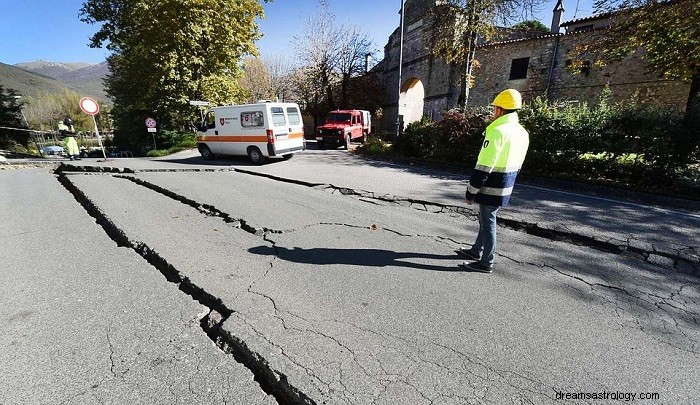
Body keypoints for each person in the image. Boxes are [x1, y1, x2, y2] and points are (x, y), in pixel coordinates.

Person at [458, 89, 529, 273]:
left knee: (488, 222)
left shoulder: (497, 131)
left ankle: (486, 262)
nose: (493, 111)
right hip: (507, 183)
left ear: (500, 109)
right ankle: (475, 251)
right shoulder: (522, 132)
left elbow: (484, 165)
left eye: (495, 108)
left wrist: (471, 191)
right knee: (485, 218)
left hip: (491, 185)